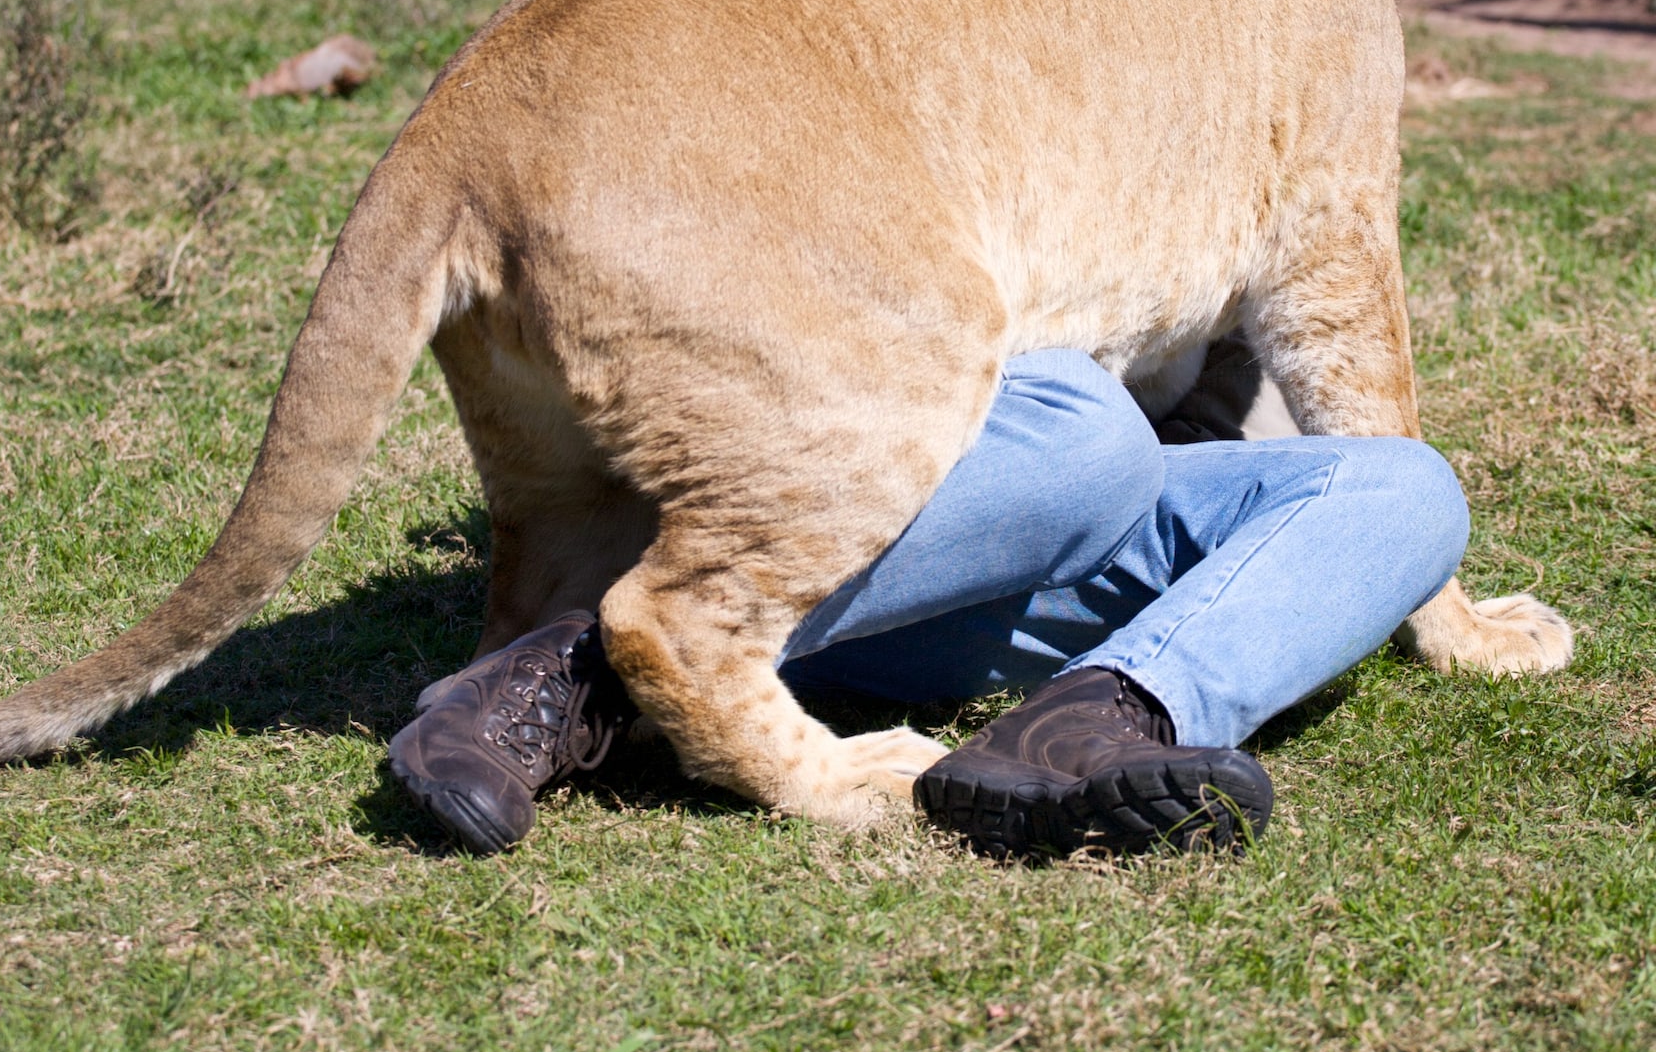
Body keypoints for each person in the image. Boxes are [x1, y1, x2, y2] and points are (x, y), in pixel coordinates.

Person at [386, 348, 1471, 859]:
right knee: (1091, 437)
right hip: (833, 503)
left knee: (1410, 489)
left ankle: (1091, 727)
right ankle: (582, 670)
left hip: (1020, 552)